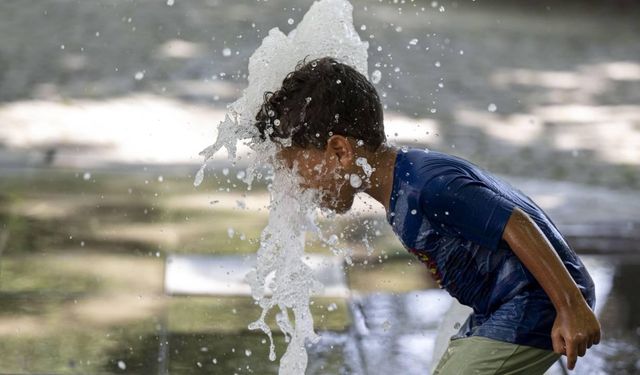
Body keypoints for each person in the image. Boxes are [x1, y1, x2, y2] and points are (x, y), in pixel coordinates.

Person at [253, 56, 600, 374]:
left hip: (536, 305)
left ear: (340, 150)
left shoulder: (426, 185)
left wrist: (571, 307)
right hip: (502, 306)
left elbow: (517, 223)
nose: (296, 184)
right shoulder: (404, 186)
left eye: (297, 168)